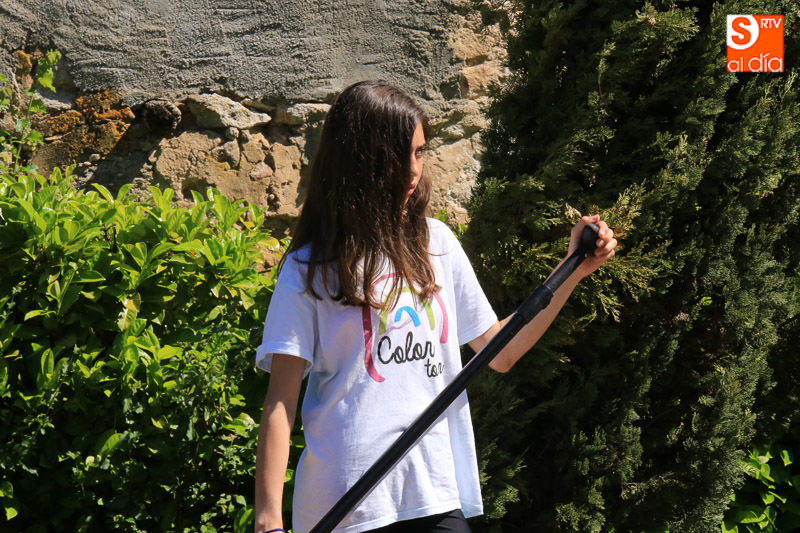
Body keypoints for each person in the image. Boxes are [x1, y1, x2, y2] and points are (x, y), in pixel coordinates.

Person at [253, 80, 617, 533]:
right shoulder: (310, 267)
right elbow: (281, 399)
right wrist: (268, 521)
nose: (413, 169)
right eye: (398, 155)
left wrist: (572, 269)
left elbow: (500, 351)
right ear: (360, 160)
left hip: (433, 493)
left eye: (420, 152)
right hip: (345, 506)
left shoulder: (436, 243)